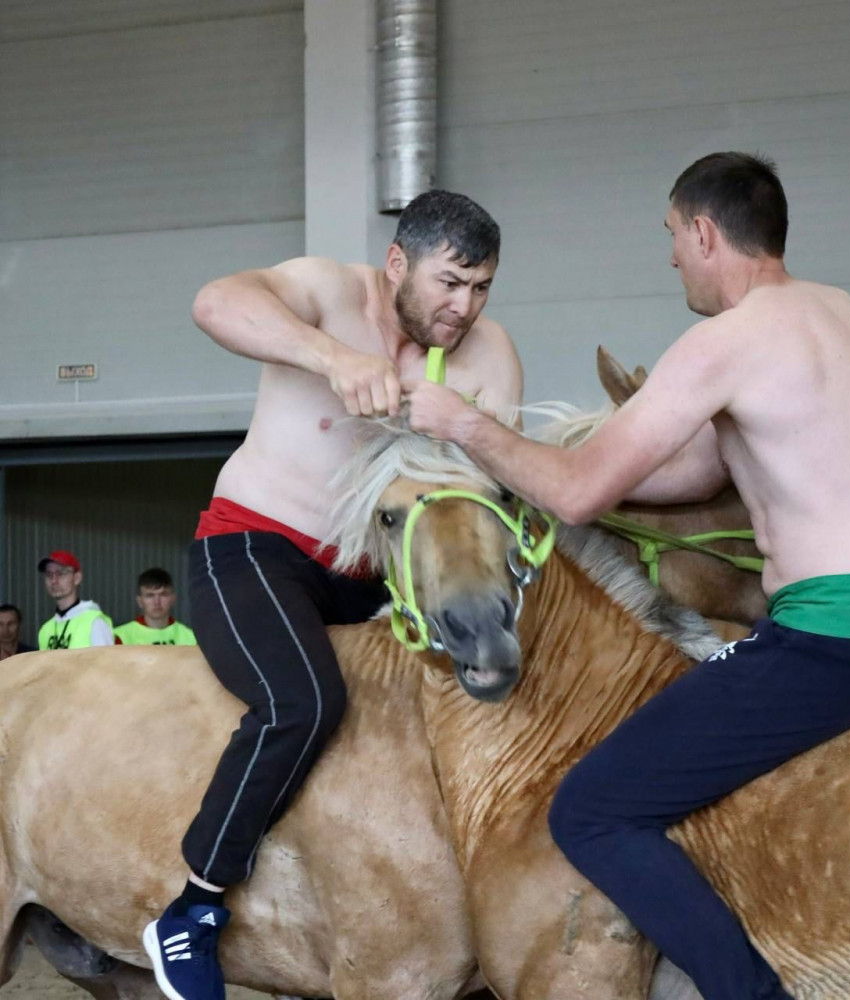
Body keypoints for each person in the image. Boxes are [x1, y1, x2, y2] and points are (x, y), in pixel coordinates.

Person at [406, 153, 850, 1000]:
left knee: (591, 809)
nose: (671, 258)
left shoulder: (723, 342)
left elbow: (583, 491)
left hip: (844, 643)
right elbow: (686, 475)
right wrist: (561, 457)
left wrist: (466, 427)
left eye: (672, 237)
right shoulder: (839, 310)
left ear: (705, 233)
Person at [142, 189, 523, 1000]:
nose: (464, 307)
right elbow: (216, 303)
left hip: (378, 584)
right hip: (255, 549)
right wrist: (332, 358)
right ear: (397, 265)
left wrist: (467, 428)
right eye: (450, 283)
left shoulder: (487, 355)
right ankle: (192, 911)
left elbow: (489, 490)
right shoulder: (325, 289)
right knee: (305, 702)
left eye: (481, 287)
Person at [37, 551, 115, 649]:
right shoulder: (45, 630)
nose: (53, 580)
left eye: (61, 573)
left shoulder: (94, 622)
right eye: (49, 574)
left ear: (77, 578)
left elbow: (106, 662)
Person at [114, 568, 197, 646]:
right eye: (150, 596)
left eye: (163, 595)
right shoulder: (119, 637)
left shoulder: (192, 638)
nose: (157, 602)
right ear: (140, 601)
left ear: (172, 598)